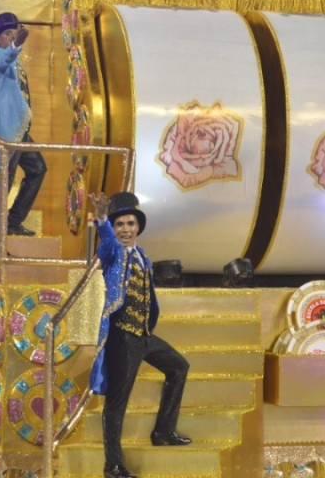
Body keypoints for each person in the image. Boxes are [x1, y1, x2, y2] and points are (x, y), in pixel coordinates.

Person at [89, 192, 190, 478]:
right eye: (120, 224)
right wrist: (102, 219)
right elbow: (107, 242)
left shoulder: (142, 256)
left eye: (130, 223)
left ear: (138, 227)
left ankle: (163, 432)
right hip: (122, 337)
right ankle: (113, 464)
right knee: (117, 401)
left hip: (143, 334)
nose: (125, 229)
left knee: (179, 367)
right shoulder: (113, 253)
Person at [0, 13, 45, 239]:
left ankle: (13, 220)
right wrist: (15, 45)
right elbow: (4, 60)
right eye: (7, 34)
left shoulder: (15, 63)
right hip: (7, 132)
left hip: (20, 131)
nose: (12, 37)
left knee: (38, 169)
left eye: (14, 33)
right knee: (4, 180)